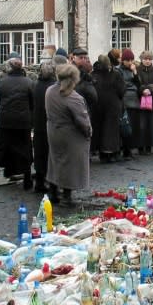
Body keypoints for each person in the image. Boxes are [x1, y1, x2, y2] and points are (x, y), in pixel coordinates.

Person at [0, 52, 34, 188]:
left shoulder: (2, 81)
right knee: (25, 148)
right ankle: (27, 179)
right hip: (23, 121)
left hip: (5, 120)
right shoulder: (29, 82)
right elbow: (32, 103)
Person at [46, 64, 92, 206]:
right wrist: (88, 132)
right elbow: (83, 121)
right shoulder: (73, 97)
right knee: (71, 165)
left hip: (54, 131)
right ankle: (66, 196)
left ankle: (53, 191)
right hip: (70, 135)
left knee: (55, 161)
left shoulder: (50, 91)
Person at [92, 54, 125, 163]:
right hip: (113, 106)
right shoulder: (115, 75)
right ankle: (113, 154)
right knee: (112, 131)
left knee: (101, 130)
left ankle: (103, 154)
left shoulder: (94, 75)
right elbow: (121, 91)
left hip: (98, 106)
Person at [32, 61, 57, 191]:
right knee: (50, 154)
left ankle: (39, 182)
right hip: (50, 124)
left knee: (39, 154)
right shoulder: (54, 87)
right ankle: (51, 183)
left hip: (38, 124)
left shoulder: (35, 85)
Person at [136, 51, 153, 155]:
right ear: (142, 59)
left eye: (149, 59)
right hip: (141, 101)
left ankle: (150, 146)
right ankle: (141, 146)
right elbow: (137, 83)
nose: (147, 61)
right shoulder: (138, 70)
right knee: (142, 126)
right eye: (145, 59)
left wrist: (151, 89)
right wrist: (142, 90)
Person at [118, 49, 141, 160]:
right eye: (128, 60)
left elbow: (138, 83)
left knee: (134, 126)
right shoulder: (119, 70)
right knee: (126, 127)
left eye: (132, 59)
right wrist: (131, 85)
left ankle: (131, 149)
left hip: (135, 100)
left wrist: (135, 73)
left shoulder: (133, 69)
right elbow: (122, 83)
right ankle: (125, 150)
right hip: (125, 100)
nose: (130, 62)